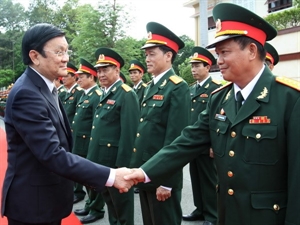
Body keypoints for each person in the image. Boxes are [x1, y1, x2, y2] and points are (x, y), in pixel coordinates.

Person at [125, 3, 300, 225]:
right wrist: (143, 172)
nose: (218, 61)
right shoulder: (220, 98)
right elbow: (186, 142)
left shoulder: (290, 99)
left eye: (225, 52)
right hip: (227, 215)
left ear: (252, 51)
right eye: (217, 54)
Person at [1, 23, 133, 225]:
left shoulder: (44, 87)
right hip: (33, 207)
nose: (66, 58)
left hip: (46, 200)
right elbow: (52, 154)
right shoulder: (27, 94)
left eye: (66, 51)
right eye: (59, 52)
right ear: (35, 56)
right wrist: (111, 175)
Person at [129, 22, 191, 225]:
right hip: (148, 170)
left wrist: (167, 182)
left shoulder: (177, 87)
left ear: (168, 55)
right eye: (146, 54)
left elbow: (176, 140)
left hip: (162, 176)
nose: (147, 59)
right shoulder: (151, 87)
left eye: (152, 54)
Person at [85, 47, 140, 225]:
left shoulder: (126, 94)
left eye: (105, 69)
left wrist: (123, 168)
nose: (100, 74)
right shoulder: (105, 93)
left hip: (116, 164)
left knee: (122, 208)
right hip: (103, 162)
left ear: (117, 70)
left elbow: (129, 134)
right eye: (99, 70)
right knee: (111, 205)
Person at [182, 46, 221, 224]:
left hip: (206, 144)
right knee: (196, 178)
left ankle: (213, 215)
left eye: (198, 66)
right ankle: (200, 209)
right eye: (192, 66)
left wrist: (214, 144)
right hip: (193, 143)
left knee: (209, 181)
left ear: (208, 67)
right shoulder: (191, 89)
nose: (194, 69)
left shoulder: (216, 89)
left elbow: (217, 119)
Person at [70, 58, 106, 223]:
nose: (79, 79)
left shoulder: (97, 95)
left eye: (82, 76)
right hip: (79, 143)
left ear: (91, 77)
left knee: (92, 178)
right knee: (85, 177)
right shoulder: (85, 95)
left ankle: (97, 208)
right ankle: (90, 205)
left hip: (89, 143)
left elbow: (96, 124)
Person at [62, 62, 84, 128]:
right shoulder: (68, 92)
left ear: (74, 77)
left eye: (66, 76)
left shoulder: (79, 92)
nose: (63, 78)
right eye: (62, 76)